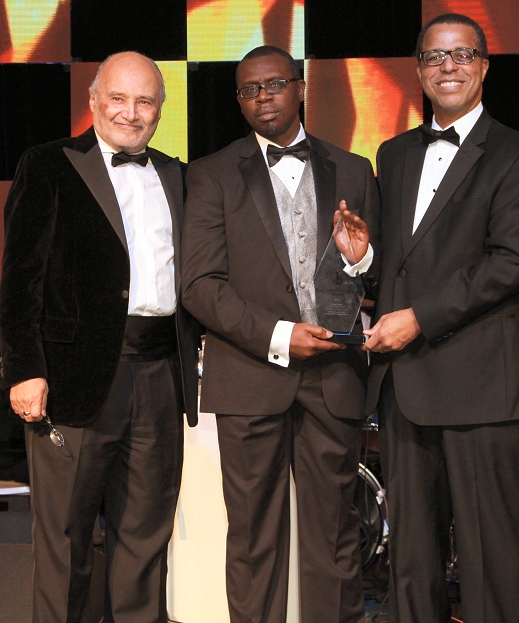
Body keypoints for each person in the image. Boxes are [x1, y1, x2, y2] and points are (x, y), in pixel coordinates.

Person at [341, 12, 519, 623]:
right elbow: (398, 267)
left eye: (461, 55)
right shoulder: (395, 153)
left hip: (486, 387)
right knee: (412, 564)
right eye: (434, 56)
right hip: (407, 389)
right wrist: (363, 257)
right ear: (419, 70)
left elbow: (511, 264)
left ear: (484, 66)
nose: (447, 66)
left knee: (491, 557)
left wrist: (418, 319)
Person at [181, 45, 379, 623]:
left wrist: (362, 262)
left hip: (333, 378)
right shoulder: (211, 173)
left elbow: (370, 270)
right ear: (239, 100)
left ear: (300, 86)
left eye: (273, 85)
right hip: (248, 377)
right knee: (252, 538)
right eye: (249, 90)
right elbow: (200, 283)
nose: (262, 97)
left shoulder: (354, 168)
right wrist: (277, 335)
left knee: (337, 537)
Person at [0, 51, 199, 623]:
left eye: (145, 102)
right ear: (93, 101)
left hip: (161, 375)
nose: (131, 113)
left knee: (145, 536)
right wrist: (23, 370)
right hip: (71, 378)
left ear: (161, 110)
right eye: (118, 98)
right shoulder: (47, 164)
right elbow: (19, 279)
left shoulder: (178, 175)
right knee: (64, 538)